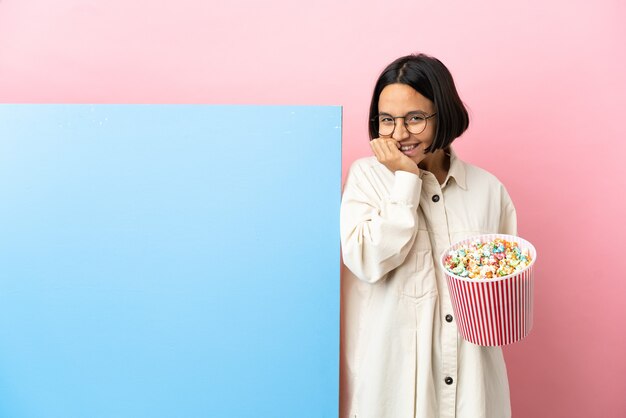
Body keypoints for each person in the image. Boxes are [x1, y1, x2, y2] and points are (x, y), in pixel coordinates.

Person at [340, 53, 517, 418]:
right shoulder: (367, 179)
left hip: (473, 389)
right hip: (395, 388)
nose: (399, 134)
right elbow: (367, 261)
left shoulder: (487, 190)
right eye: (387, 120)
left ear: (444, 113)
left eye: (415, 119)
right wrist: (405, 180)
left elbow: (503, 293)